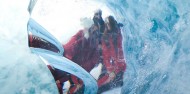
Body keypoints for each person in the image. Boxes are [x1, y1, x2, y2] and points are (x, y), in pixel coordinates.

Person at [62, 17, 100, 94]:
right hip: (71, 68)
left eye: (93, 28)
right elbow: (68, 49)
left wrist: (82, 71)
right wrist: (83, 40)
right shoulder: (79, 35)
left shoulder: (94, 41)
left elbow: (94, 60)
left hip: (81, 72)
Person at [97, 15, 126, 93]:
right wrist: (111, 71)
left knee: (116, 82)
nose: (109, 26)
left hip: (120, 67)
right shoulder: (105, 37)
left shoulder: (119, 31)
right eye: (107, 24)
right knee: (100, 85)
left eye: (110, 24)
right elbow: (106, 56)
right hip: (114, 67)